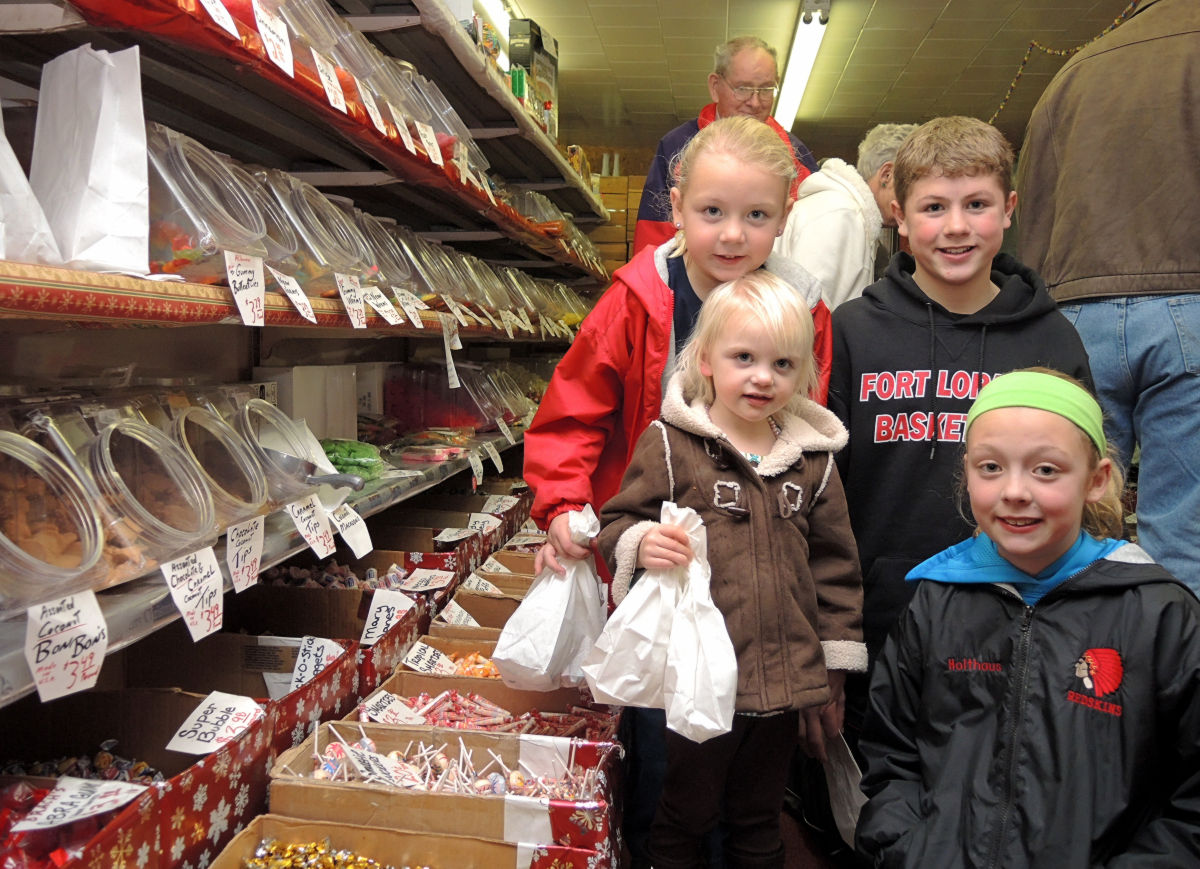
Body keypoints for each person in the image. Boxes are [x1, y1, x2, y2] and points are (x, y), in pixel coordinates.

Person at [521, 116, 826, 868]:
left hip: (756, 581)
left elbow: (814, 430)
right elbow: (575, 408)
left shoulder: (803, 308)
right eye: (711, 212)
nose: (731, 235)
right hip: (660, 564)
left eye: (756, 216)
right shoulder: (639, 297)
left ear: (784, 218)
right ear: (677, 203)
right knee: (665, 756)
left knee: (751, 767)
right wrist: (563, 505)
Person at [856, 368, 1200, 867]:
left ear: (1097, 480)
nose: (1015, 491)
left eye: (1045, 470)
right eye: (991, 467)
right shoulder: (936, 602)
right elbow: (891, 756)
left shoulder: (1159, 615)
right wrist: (910, 850)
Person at [827, 116, 1093, 739]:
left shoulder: (1051, 338)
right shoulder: (852, 330)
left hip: (1017, 617)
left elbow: (1081, 494)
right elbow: (822, 490)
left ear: (1009, 210)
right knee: (871, 806)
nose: (955, 227)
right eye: (934, 207)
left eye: (977, 204)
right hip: (876, 621)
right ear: (897, 214)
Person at [597, 271, 866, 869]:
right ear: (707, 360)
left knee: (760, 819)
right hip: (699, 683)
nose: (762, 376)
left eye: (783, 363)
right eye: (743, 357)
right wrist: (640, 543)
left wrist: (836, 663)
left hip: (783, 686)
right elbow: (616, 522)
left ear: (804, 373)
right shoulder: (672, 445)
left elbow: (836, 569)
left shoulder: (812, 463)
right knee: (684, 815)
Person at [1016, 0, 1200, 592]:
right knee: (1185, 535)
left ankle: (1078, 677)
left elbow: (1032, 210)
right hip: (1188, 306)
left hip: (1074, 315)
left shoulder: (1073, 72)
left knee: (1071, 527)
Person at [631, 36, 819, 256]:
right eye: (743, 88)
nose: (755, 102)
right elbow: (652, 235)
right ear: (715, 86)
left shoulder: (797, 156)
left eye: (766, 89)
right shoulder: (676, 146)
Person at [776, 123, 917, 310]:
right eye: (914, 184)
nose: (918, 197)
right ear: (887, 175)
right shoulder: (840, 214)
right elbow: (809, 315)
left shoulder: (847, 213)